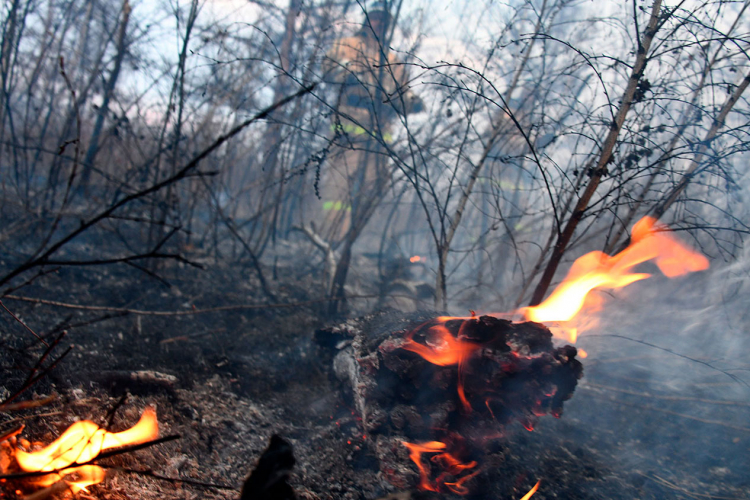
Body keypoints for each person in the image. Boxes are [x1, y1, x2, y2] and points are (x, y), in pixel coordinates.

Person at [319, 1, 423, 243]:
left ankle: (357, 243)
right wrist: (350, 75)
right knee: (339, 188)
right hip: (349, 129)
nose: (379, 23)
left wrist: (411, 102)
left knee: (372, 190)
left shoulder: (392, 60)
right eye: (375, 17)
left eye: (383, 19)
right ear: (367, 19)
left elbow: (402, 94)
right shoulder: (347, 46)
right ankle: (330, 240)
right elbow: (328, 70)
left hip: (379, 136)